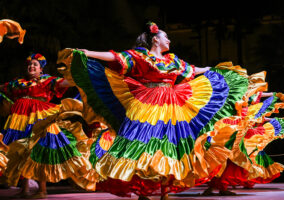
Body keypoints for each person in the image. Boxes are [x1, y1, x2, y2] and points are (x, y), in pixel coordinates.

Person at [64, 21, 261, 200]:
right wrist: (88, 53)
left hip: (173, 106)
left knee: (170, 147)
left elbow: (193, 69)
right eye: (166, 36)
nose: (169, 39)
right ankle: (143, 191)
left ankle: (164, 189)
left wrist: (214, 70)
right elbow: (115, 57)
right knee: (144, 146)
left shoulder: (173, 60)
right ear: (156, 39)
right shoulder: (141, 55)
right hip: (147, 105)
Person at [0, 53, 98, 198]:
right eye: (29, 64)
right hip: (19, 120)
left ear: (41, 70)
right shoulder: (18, 83)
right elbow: (2, 88)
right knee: (22, 150)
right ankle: (25, 189)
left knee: (38, 150)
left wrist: (81, 74)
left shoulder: (47, 81)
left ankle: (42, 190)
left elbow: (66, 82)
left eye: (35, 64)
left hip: (40, 118)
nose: (31, 66)